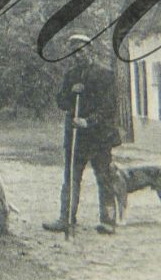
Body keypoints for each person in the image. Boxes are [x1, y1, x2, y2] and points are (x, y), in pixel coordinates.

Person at [44, 33, 123, 235]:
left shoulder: (105, 74)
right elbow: (61, 102)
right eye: (73, 53)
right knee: (71, 178)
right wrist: (71, 91)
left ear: (91, 50)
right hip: (76, 137)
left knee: (104, 177)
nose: (77, 56)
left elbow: (109, 107)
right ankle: (66, 218)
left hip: (99, 137)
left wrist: (88, 122)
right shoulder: (71, 75)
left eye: (80, 51)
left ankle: (108, 220)